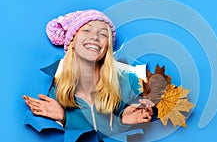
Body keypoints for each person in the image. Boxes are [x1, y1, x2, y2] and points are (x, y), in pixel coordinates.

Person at [23, 9, 154, 140]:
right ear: (72, 42)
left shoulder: (128, 80)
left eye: (103, 34)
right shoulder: (56, 89)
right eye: (86, 30)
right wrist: (63, 118)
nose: (95, 37)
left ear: (107, 47)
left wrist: (123, 121)